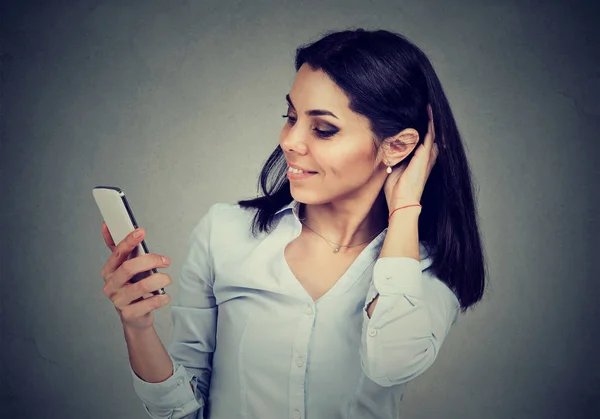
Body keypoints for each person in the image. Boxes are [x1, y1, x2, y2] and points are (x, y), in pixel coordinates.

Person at [100, 28, 486, 419]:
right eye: (291, 117)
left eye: (323, 129)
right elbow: (183, 410)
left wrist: (405, 208)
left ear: (398, 146)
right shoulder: (225, 233)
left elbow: (392, 365)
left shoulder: (426, 267)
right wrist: (138, 327)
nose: (289, 141)